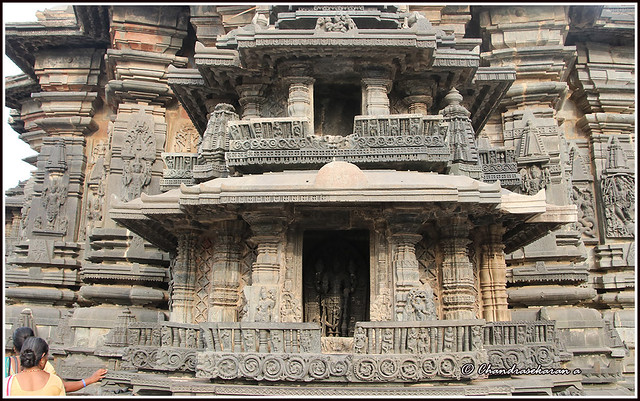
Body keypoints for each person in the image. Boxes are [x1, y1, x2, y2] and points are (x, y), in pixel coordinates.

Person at [5, 327, 108, 392]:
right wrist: (90, 380)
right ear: (42, 359)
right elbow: (65, 387)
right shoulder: (54, 380)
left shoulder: (7, 381)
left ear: (14, 347)